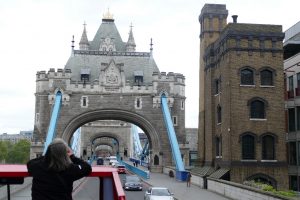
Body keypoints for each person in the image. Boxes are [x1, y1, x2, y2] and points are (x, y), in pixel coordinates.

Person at [27, 138, 92, 200]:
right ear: (65, 153)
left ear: (49, 151)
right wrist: (72, 156)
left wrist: (48, 155)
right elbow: (87, 167)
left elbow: (30, 162)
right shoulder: (70, 169)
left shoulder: (36, 166)